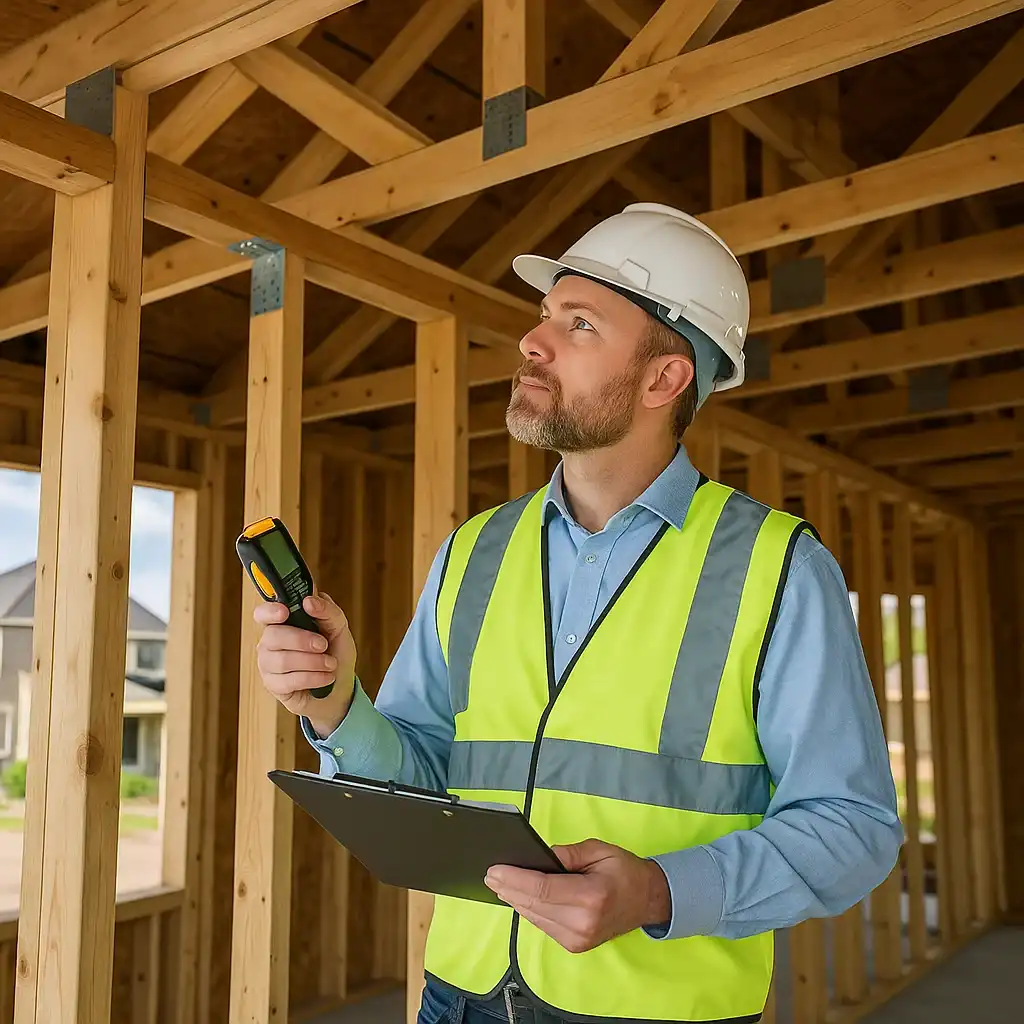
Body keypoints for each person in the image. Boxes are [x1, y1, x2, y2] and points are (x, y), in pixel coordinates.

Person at [255, 203, 903, 1024]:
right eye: (543, 316)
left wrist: (662, 891)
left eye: (580, 323)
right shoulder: (474, 552)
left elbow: (854, 826)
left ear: (664, 380)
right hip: (461, 996)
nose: (534, 340)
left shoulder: (778, 568)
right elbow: (426, 787)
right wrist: (338, 705)